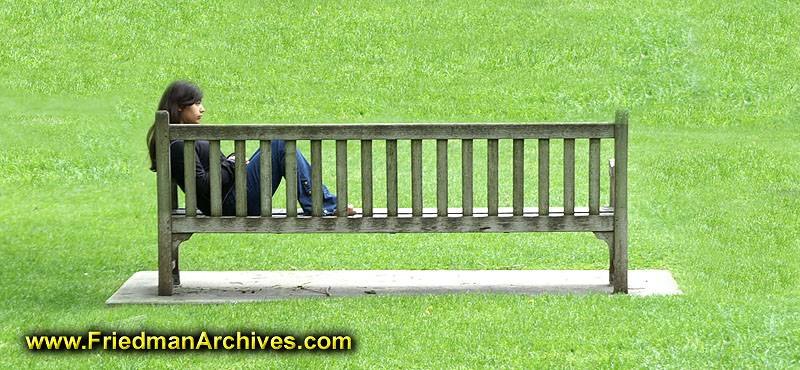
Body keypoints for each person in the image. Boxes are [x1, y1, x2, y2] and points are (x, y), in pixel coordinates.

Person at [146, 80, 349, 216]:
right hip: (228, 203)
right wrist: (231, 165)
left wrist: (230, 162)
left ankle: (323, 203)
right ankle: (324, 205)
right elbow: (201, 185)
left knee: (274, 144)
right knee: (280, 144)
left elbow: (212, 171)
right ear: (180, 106)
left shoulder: (184, 138)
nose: (202, 109)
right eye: (196, 104)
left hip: (230, 196)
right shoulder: (179, 144)